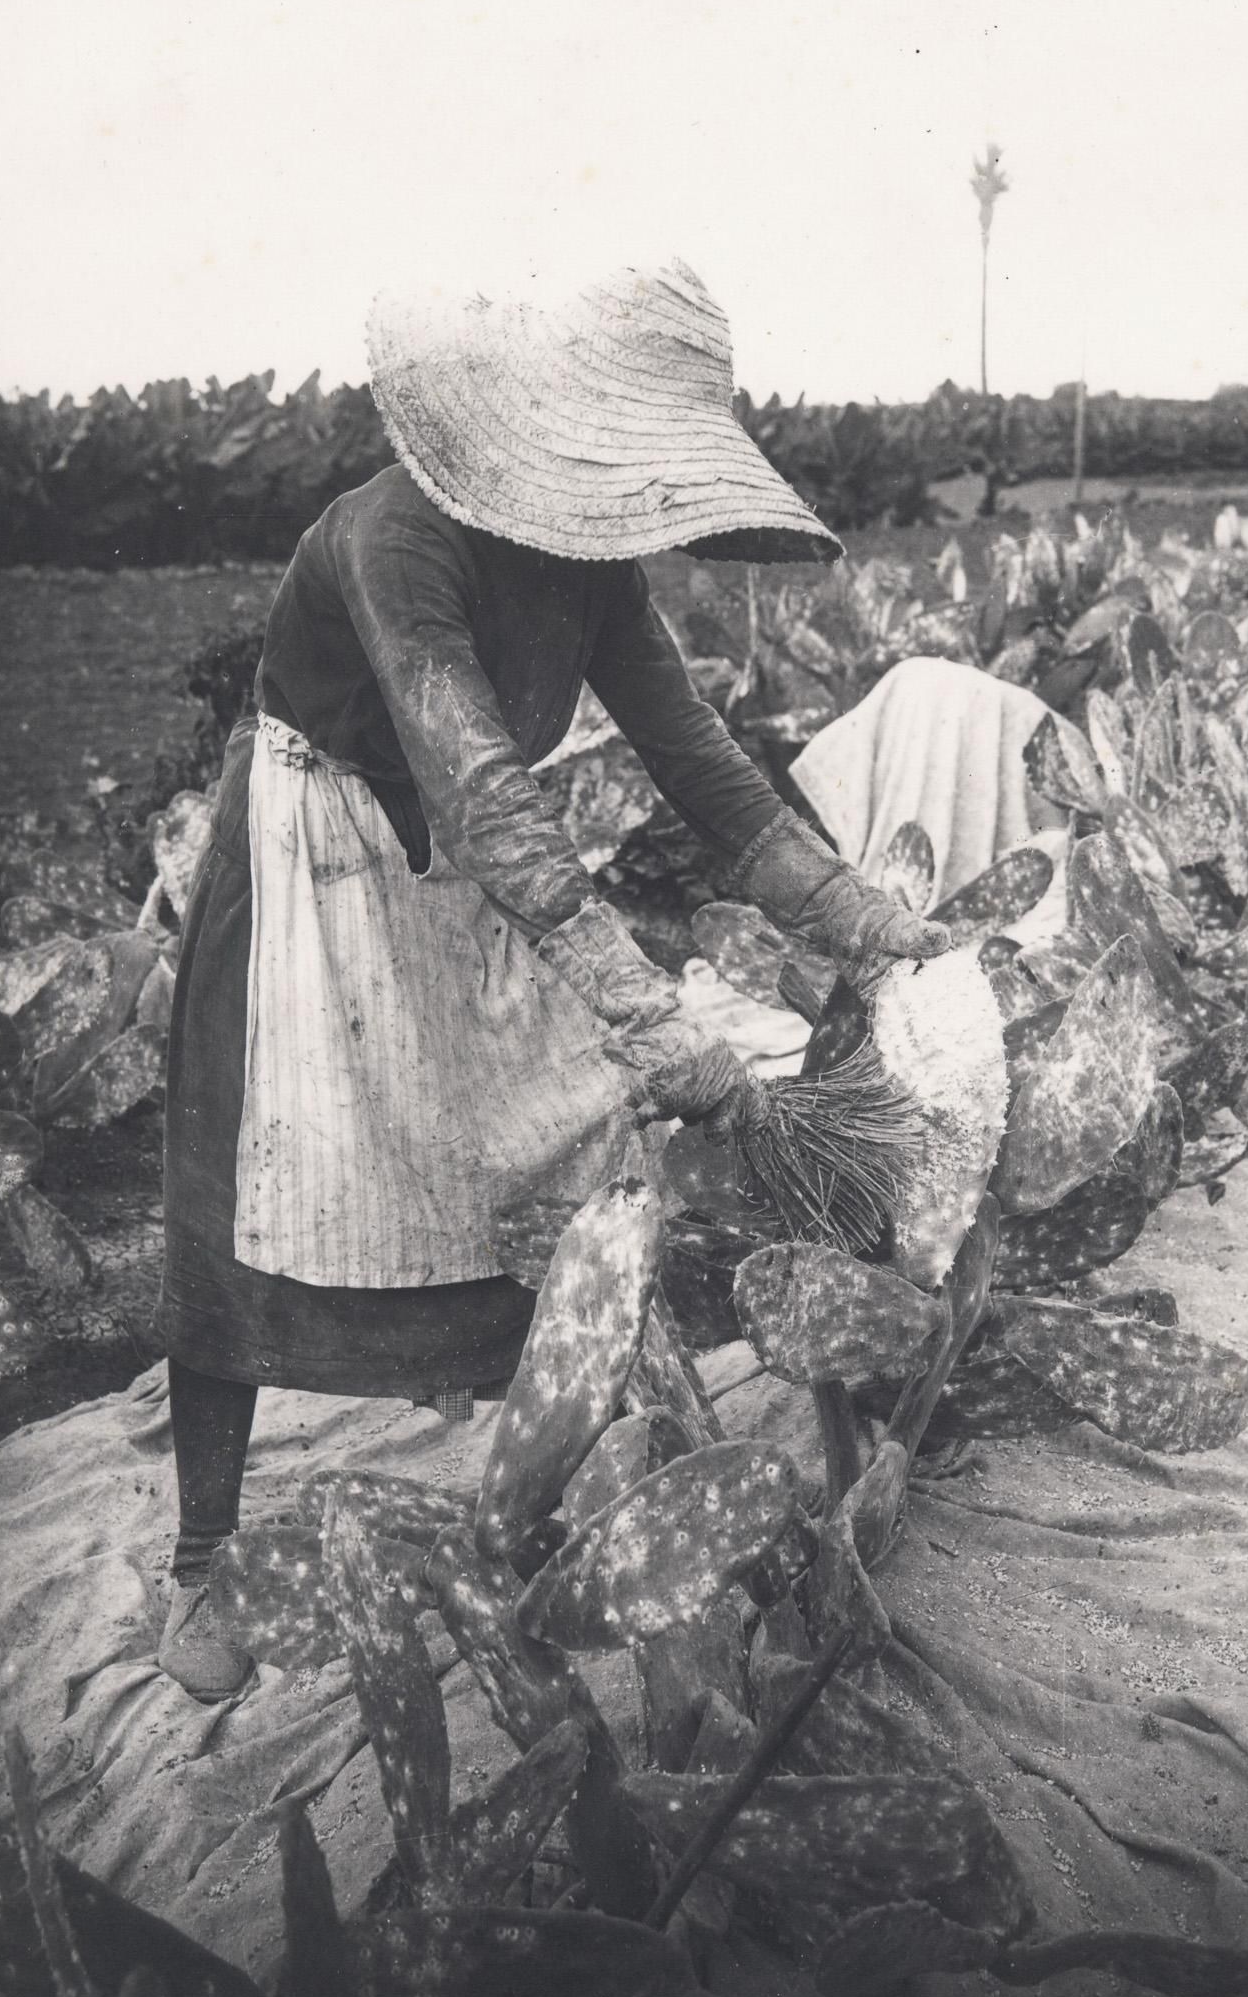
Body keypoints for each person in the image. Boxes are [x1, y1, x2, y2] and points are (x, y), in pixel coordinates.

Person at [155, 256, 949, 1698]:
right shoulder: (395, 539)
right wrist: (646, 1013)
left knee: (555, 1173)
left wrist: (860, 916)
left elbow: (703, 768)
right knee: (249, 1204)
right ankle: (205, 1560)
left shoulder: (593, 572)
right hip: (315, 857)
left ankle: (525, 1505)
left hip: (466, 872)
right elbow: (483, 791)